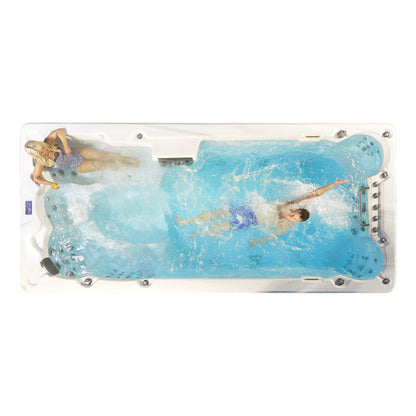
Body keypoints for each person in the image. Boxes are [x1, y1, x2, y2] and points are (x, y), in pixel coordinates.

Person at [176, 179, 349, 247]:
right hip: (251, 210)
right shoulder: (290, 205)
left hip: (251, 222)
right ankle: (187, 221)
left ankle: (197, 235)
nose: (292, 216)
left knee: (222, 226)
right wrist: (333, 185)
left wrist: (258, 241)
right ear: (296, 210)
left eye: (295, 218)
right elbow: (314, 194)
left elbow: (272, 236)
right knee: (218, 212)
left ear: (296, 221)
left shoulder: (285, 226)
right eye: (294, 214)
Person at [24, 128, 139, 189]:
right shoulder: (41, 162)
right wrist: (50, 184)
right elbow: (36, 178)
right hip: (77, 166)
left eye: (42, 148)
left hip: (78, 153)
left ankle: (131, 160)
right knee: (103, 164)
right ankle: (126, 167)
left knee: (105, 155)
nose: (44, 151)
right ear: (37, 155)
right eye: (41, 152)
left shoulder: (48, 142)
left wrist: (65, 146)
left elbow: (59, 131)